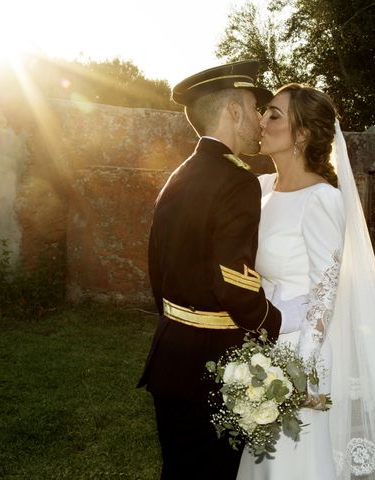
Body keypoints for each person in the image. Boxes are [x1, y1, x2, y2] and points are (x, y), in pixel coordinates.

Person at [236, 84, 375, 480]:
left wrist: (297, 370)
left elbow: (324, 291)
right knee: (265, 462)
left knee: (290, 465)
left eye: (275, 115)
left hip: (299, 352)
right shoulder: (262, 189)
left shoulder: (321, 199)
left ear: (302, 135)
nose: (262, 121)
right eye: (264, 112)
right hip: (262, 340)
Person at [136, 60, 283, 480]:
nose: (260, 120)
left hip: (169, 352)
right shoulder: (238, 181)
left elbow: (157, 267)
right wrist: (273, 322)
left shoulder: (180, 174)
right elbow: (233, 282)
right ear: (234, 111)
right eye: (256, 108)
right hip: (213, 365)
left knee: (179, 469)